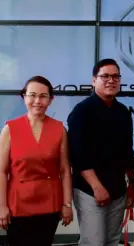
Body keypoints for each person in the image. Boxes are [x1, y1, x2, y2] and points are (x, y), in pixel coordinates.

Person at [67, 59, 134, 246]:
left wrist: (132, 184)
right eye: (105, 76)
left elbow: (127, 152)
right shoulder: (82, 111)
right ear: (94, 80)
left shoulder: (123, 112)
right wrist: (97, 187)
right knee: (94, 242)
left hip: (118, 189)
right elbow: (78, 155)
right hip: (89, 190)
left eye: (115, 76)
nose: (110, 80)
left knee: (113, 240)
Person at [0, 76, 73, 246]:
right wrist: (1, 206)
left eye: (43, 96)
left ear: (50, 100)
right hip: (17, 204)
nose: (37, 101)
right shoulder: (10, 129)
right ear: (24, 97)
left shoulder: (59, 129)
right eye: (32, 95)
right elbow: (1, 171)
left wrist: (67, 204)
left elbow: (64, 170)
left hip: (50, 203)